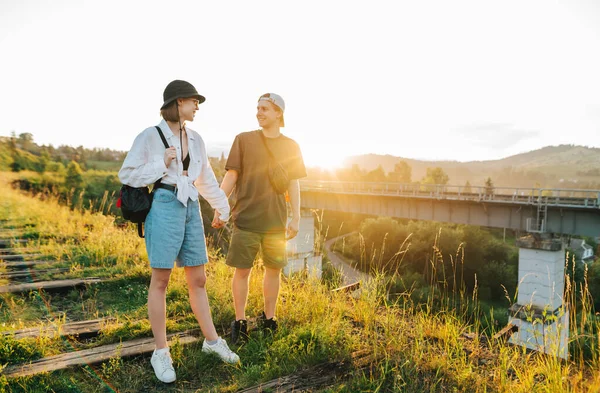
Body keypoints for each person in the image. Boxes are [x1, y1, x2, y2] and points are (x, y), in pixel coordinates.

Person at [119, 80, 239, 384]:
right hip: (163, 204)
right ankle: (160, 351)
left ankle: (212, 342)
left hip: (190, 207)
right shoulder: (150, 136)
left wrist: (222, 209)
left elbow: (206, 179)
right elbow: (127, 175)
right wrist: (161, 164)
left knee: (198, 278)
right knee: (160, 280)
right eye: (193, 101)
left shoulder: (196, 139)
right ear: (177, 103)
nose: (197, 107)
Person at [216, 93, 307, 344]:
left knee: (274, 271)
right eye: (257, 108)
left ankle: (270, 320)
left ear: (279, 113)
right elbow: (231, 176)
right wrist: (218, 204)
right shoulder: (243, 140)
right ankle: (240, 322)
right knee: (242, 271)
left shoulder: (291, 146)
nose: (259, 112)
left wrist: (296, 217)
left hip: (276, 222)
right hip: (245, 219)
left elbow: (294, 184)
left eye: (265, 108)